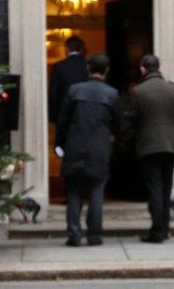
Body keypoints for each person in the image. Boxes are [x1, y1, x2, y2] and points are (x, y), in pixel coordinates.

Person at [55, 53, 121, 247]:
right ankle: (94, 235)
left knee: (74, 194)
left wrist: (59, 145)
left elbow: (63, 121)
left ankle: (74, 234)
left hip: (74, 147)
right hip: (99, 149)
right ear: (107, 70)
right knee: (96, 194)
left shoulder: (74, 90)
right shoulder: (112, 94)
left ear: (88, 68)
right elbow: (118, 124)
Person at [128, 54, 174, 243]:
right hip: (171, 145)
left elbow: (132, 120)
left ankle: (158, 231)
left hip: (148, 146)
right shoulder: (173, 89)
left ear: (142, 68)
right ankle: (165, 228)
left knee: (155, 188)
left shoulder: (138, 91)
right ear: (159, 68)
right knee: (166, 187)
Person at [48, 35, 89, 124]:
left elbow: (53, 93)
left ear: (67, 48)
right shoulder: (88, 66)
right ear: (82, 49)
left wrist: (52, 117)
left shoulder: (59, 66)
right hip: (85, 112)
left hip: (64, 113)